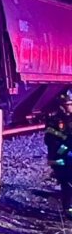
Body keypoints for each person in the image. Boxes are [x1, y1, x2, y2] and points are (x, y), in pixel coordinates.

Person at [44, 89, 72, 219]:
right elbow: (49, 139)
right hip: (61, 158)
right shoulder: (55, 119)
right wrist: (65, 147)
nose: (70, 107)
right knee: (67, 184)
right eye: (68, 104)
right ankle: (69, 210)